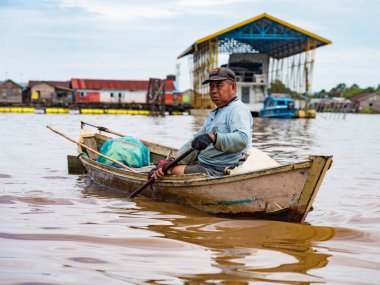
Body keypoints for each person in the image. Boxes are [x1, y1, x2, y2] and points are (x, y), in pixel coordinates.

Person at [151, 67, 253, 179]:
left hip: (215, 171)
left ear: (233, 87)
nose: (213, 91)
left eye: (219, 86)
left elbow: (242, 139)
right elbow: (194, 143)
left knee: (167, 171)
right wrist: (172, 161)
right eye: (211, 86)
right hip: (202, 164)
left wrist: (213, 138)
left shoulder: (237, 109)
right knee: (164, 167)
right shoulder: (216, 113)